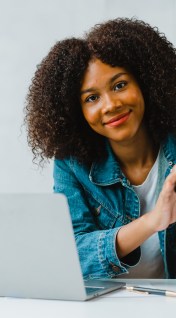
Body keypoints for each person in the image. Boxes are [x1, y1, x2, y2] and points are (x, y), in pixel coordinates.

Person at [24, 18, 176, 279]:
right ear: (77, 111)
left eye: (120, 85)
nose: (110, 105)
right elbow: (71, 257)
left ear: (145, 84)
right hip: (107, 306)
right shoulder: (72, 164)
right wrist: (153, 221)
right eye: (92, 98)